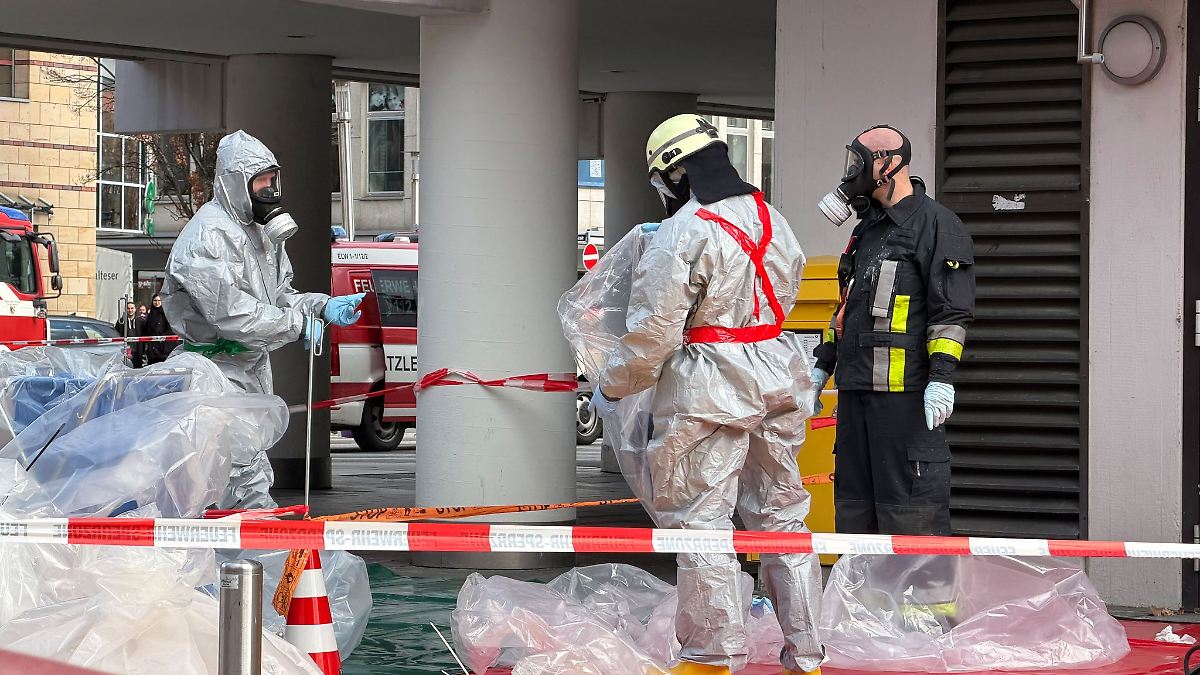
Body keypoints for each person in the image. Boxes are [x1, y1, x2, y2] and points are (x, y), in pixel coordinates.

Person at [594, 114, 822, 675]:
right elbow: (784, 291)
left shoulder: (684, 230)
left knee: (702, 522)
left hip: (708, 386)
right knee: (783, 518)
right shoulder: (774, 217)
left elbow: (653, 331)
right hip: (777, 373)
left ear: (677, 172)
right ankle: (808, 655)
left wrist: (612, 383)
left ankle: (713, 658)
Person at [161, 130, 365, 506]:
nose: (271, 191)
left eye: (273, 180)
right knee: (235, 474)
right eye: (262, 182)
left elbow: (279, 295)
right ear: (236, 183)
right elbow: (233, 315)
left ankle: (249, 558)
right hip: (212, 373)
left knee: (245, 467)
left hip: (247, 367)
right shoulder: (207, 236)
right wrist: (299, 323)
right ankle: (252, 556)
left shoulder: (261, 235)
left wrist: (320, 305)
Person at [808, 125, 976, 536]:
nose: (852, 173)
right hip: (855, 397)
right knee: (853, 509)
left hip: (905, 401)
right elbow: (845, 310)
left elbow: (950, 314)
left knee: (911, 512)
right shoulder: (867, 229)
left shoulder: (937, 225)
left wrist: (941, 380)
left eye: (859, 163)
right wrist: (820, 369)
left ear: (889, 164)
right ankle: (862, 601)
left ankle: (923, 603)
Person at [141, 294, 173, 366]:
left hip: (164, 347)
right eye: (155, 300)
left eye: (159, 300)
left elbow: (170, 329)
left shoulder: (165, 314)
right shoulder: (149, 315)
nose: (157, 302)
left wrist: (163, 338)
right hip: (152, 347)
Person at [114, 301, 144, 367]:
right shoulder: (121, 322)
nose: (130, 310)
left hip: (138, 351)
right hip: (125, 351)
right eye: (128, 308)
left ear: (135, 309)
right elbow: (116, 334)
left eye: (132, 308)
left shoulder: (141, 321)